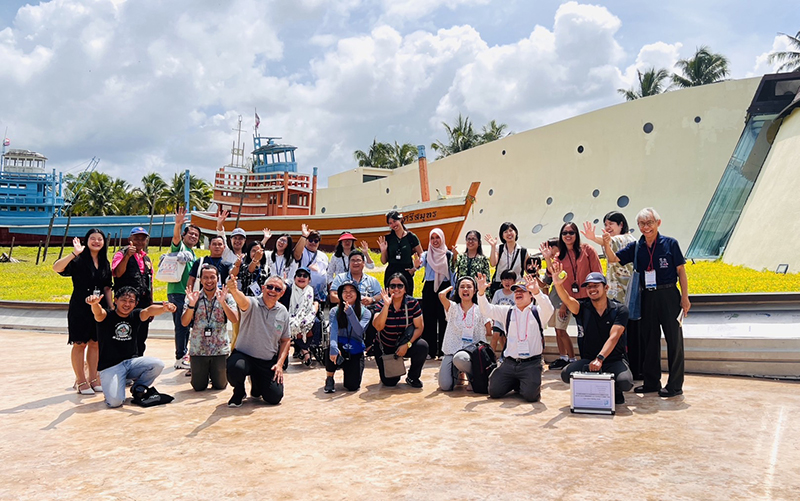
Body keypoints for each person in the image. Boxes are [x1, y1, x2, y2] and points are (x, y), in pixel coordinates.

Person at [603, 207, 690, 398]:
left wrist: (685, 297)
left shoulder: (670, 243)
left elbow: (681, 271)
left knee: (674, 340)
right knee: (649, 340)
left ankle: (675, 385)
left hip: (668, 295)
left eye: (649, 223)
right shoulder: (637, 246)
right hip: (647, 296)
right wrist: (607, 245)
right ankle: (651, 382)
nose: (646, 227)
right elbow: (613, 259)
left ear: (658, 223)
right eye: (642, 224)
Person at [550, 263, 634, 405]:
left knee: (625, 382)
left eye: (596, 285)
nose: (592, 289)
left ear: (606, 288)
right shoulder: (582, 307)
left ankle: (614, 389)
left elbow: (614, 337)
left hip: (613, 360)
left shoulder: (620, 309)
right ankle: (595, 388)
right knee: (566, 374)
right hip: (589, 360)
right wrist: (558, 285)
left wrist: (600, 358)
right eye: (589, 286)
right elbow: (568, 300)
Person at [86, 287, 176, 408]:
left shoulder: (136, 315)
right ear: (115, 300)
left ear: (136, 303)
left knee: (157, 364)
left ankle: (138, 388)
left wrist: (164, 308)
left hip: (131, 363)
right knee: (115, 402)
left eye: (131, 301)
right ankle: (115, 386)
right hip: (110, 367)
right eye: (123, 300)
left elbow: (149, 311)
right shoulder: (106, 316)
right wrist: (94, 304)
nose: (127, 304)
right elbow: (98, 312)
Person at [477, 272, 554, 402]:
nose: (518, 293)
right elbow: (487, 310)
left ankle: (524, 382)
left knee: (530, 396)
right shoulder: (508, 311)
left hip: (531, 363)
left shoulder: (538, 312)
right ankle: (516, 382)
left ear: (530, 295)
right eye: (516, 291)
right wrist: (481, 292)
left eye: (523, 291)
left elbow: (549, 308)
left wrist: (537, 292)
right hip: (509, 363)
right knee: (494, 391)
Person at [53, 230, 113, 395]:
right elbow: (56, 268)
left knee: (95, 343)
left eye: (99, 239)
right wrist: (74, 253)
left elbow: (107, 287)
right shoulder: (79, 260)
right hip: (80, 307)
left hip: (98, 308)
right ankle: (80, 380)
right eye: (92, 239)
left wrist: (110, 308)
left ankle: (93, 378)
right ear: (86, 241)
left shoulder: (104, 262)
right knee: (80, 343)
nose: (96, 242)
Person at [582, 212, 641, 378]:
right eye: (606, 224)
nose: (608, 228)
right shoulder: (616, 241)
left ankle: (629, 368)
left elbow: (609, 240)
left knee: (625, 334)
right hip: (616, 295)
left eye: (611, 224)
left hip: (625, 295)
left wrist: (595, 238)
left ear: (621, 225)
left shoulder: (627, 239)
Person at [539, 222, 602, 370]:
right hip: (571, 300)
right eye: (565, 233)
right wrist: (547, 258)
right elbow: (553, 272)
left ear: (576, 235)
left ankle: (596, 360)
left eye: (571, 232)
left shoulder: (588, 250)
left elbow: (597, 274)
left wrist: (597, 296)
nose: (568, 235)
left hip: (589, 297)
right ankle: (584, 361)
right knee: (581, 332)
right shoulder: (560, 255)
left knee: (592, 331)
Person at [225, 275, 292, 407]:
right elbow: (242, 301)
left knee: (274, 397)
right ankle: (239, 391)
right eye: (270, 287)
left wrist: (279, 364)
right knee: (235, 367)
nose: (273, 290)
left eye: (277, 289)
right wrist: (233, 290)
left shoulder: (283, 311)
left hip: (266, 362)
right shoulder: (252, 303)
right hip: (244, 356)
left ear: (282, 293)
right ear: (263, 288)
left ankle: (256, 384)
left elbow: (285, 340)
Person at [181, 265, 239, 391]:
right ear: (200, 280)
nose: (209, 281)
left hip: (219, 349)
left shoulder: (226, 296)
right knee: (198, 386)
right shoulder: (193, 297)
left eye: (212, 277)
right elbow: (184, 323)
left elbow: (235, 319)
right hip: (198, 349)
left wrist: (223, 302)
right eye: (205, 277)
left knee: (220, 386)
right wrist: (191, 304)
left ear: (217, 279)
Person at [372, 273, 427, 388]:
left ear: (405, 288)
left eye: (400, 286)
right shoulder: (381, 304)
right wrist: (386, 306)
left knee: (422, 346)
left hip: (404, 343)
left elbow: (419, 328)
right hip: (385, 347)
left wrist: (407, 345)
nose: (396, 289)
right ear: (388, 288)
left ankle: (413, 377)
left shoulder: (412, 303)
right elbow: (378, 327)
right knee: (390, 383)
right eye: (392, 286)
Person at [437, 276, 492, 391]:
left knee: (460, 358)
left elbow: (489, 329)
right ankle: (459, 374)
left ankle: (474, 378)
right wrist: (450, 288)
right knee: (445, 386)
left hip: (472, 354)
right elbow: (441, 296)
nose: (465, 290)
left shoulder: (480, 309)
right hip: (452, 350)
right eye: (462, 287)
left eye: (469, 287)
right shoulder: (453, 308)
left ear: (475, 290)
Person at [111, 227, 154, 357]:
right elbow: (117, 273)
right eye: (136, 238)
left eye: (143, 239)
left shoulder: (147, 258)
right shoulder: (120, 253)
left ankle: (138, 362)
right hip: (127, 302)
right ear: (130, 239)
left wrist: (151, 305)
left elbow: (149, 282)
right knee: (124, 334)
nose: (139, 242)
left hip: (143, 302)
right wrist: (127, 255)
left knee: (141, 336)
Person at [324, 281, 373, 393]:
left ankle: (349, 369)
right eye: (344, 291)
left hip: (355, 349)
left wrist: (351, 314)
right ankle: (329, 378)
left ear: (357, 294)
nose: (348, 294)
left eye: (351, 291)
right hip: (341, 346)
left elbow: (359, 331)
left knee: (352, 386)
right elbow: (334, 331)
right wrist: (333, 347)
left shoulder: (365, 312)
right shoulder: (334, 311)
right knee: (330, 349)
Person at [168, 207, 199, 371]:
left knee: (186, 326)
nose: (193, 237)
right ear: (184, 235)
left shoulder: (192, 253)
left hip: (187, 295)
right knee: (181, 326)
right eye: (191, 234)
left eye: (196, 235)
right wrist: (178, 225)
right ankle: (179, 358)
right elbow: (175, 238)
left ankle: (184, 354)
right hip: (177, 292)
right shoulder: (179, 248)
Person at [416, 228, 454, 359]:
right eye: (432, 238)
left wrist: (453, 290)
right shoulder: (426, 255)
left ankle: (443, 351)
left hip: (444, 287)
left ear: (442, 238)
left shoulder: (449, 254)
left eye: (438, 237)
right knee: (429, 318)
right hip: (429, 287)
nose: (435, 240)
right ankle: (430, 351)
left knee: (444, 319)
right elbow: (418, 265)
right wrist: (415, 264)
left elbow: (453, 274)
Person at [377, 211, 423, 296]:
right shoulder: (388, 238)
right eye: (390, 223)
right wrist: (383, 251)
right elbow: (383, 261)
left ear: (401, 220)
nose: (393, 225)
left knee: (407, 300)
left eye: (395, 221)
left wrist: (414, 269)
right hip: (391, 272)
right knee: (391, 299)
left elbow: (422, 255)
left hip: (406, 272)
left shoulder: (411, 237)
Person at [279, 267, 317, 366]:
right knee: (293, 324)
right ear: (295, 278)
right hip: (291, 315)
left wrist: (311, 314)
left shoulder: (311, 290)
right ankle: (305, 350)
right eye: (299, 275)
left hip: (308, 314)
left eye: (305, 276)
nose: (301, 277)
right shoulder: (288, 290)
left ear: (309, 280)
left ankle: (304, 349)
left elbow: (316, 303)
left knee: (316, 323)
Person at [485, 222, 528, 298]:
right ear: (502, 236)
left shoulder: (523, 251)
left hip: (516, 286)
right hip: (500, 285)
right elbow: (493, 263)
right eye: (505, 232)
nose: (509, 233)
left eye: (511, 230)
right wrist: (493, 247)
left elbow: (527, 270)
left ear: (516, 232)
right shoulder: (499, 248)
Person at [293, 224, 329, 301]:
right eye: (310, 240)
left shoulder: (324, 256)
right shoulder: (303, 251)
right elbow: (296, 254)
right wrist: (304, 236)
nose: (313, 242)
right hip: (303, 294)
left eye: (316, 241)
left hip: (321, 296)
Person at [489, 270, 517, 358]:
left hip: (510, 320)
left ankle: (505, 356)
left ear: (514, 281)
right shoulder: (498, 293)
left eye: (509, 279)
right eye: (504, 279)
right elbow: (492, 306)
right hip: (498, 319)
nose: (507, 282)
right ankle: (490, 357)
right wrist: (492, 319)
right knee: (495, 335)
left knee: (506, 340)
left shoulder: (515, 294)